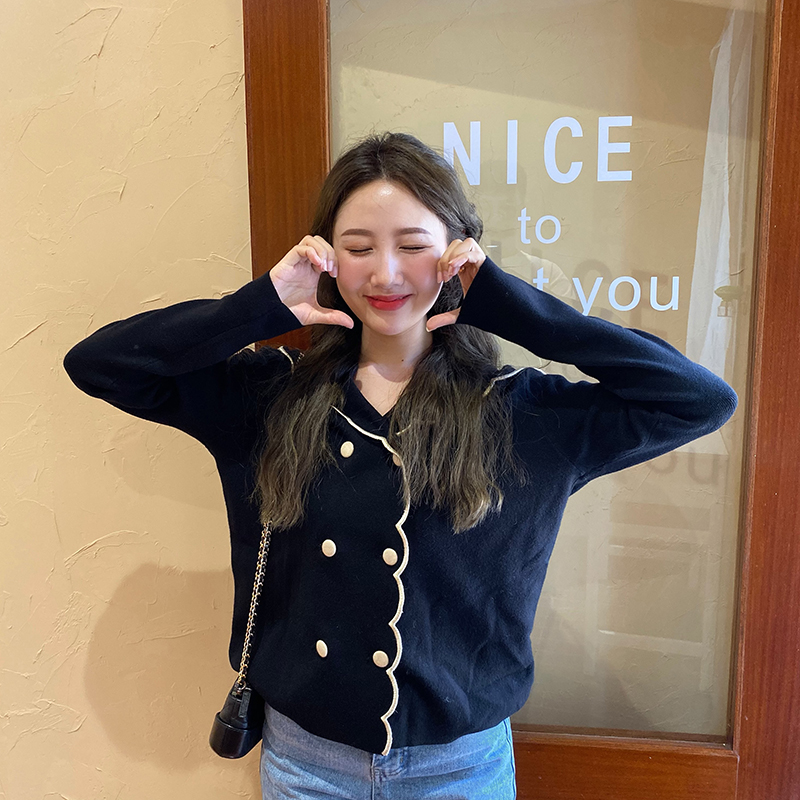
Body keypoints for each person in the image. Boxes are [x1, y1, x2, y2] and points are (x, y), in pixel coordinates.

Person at [63, 131, 738, 799]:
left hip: (462, 773)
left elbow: (700, 400)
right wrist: (259, 305)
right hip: (306, 768)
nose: (385, 274)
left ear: (457, 254)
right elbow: (99, 364)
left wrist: (511, 308)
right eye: (358, 248)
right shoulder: (268, 396)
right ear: (328, 258)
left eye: (413, 246)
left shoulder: (524, 415)